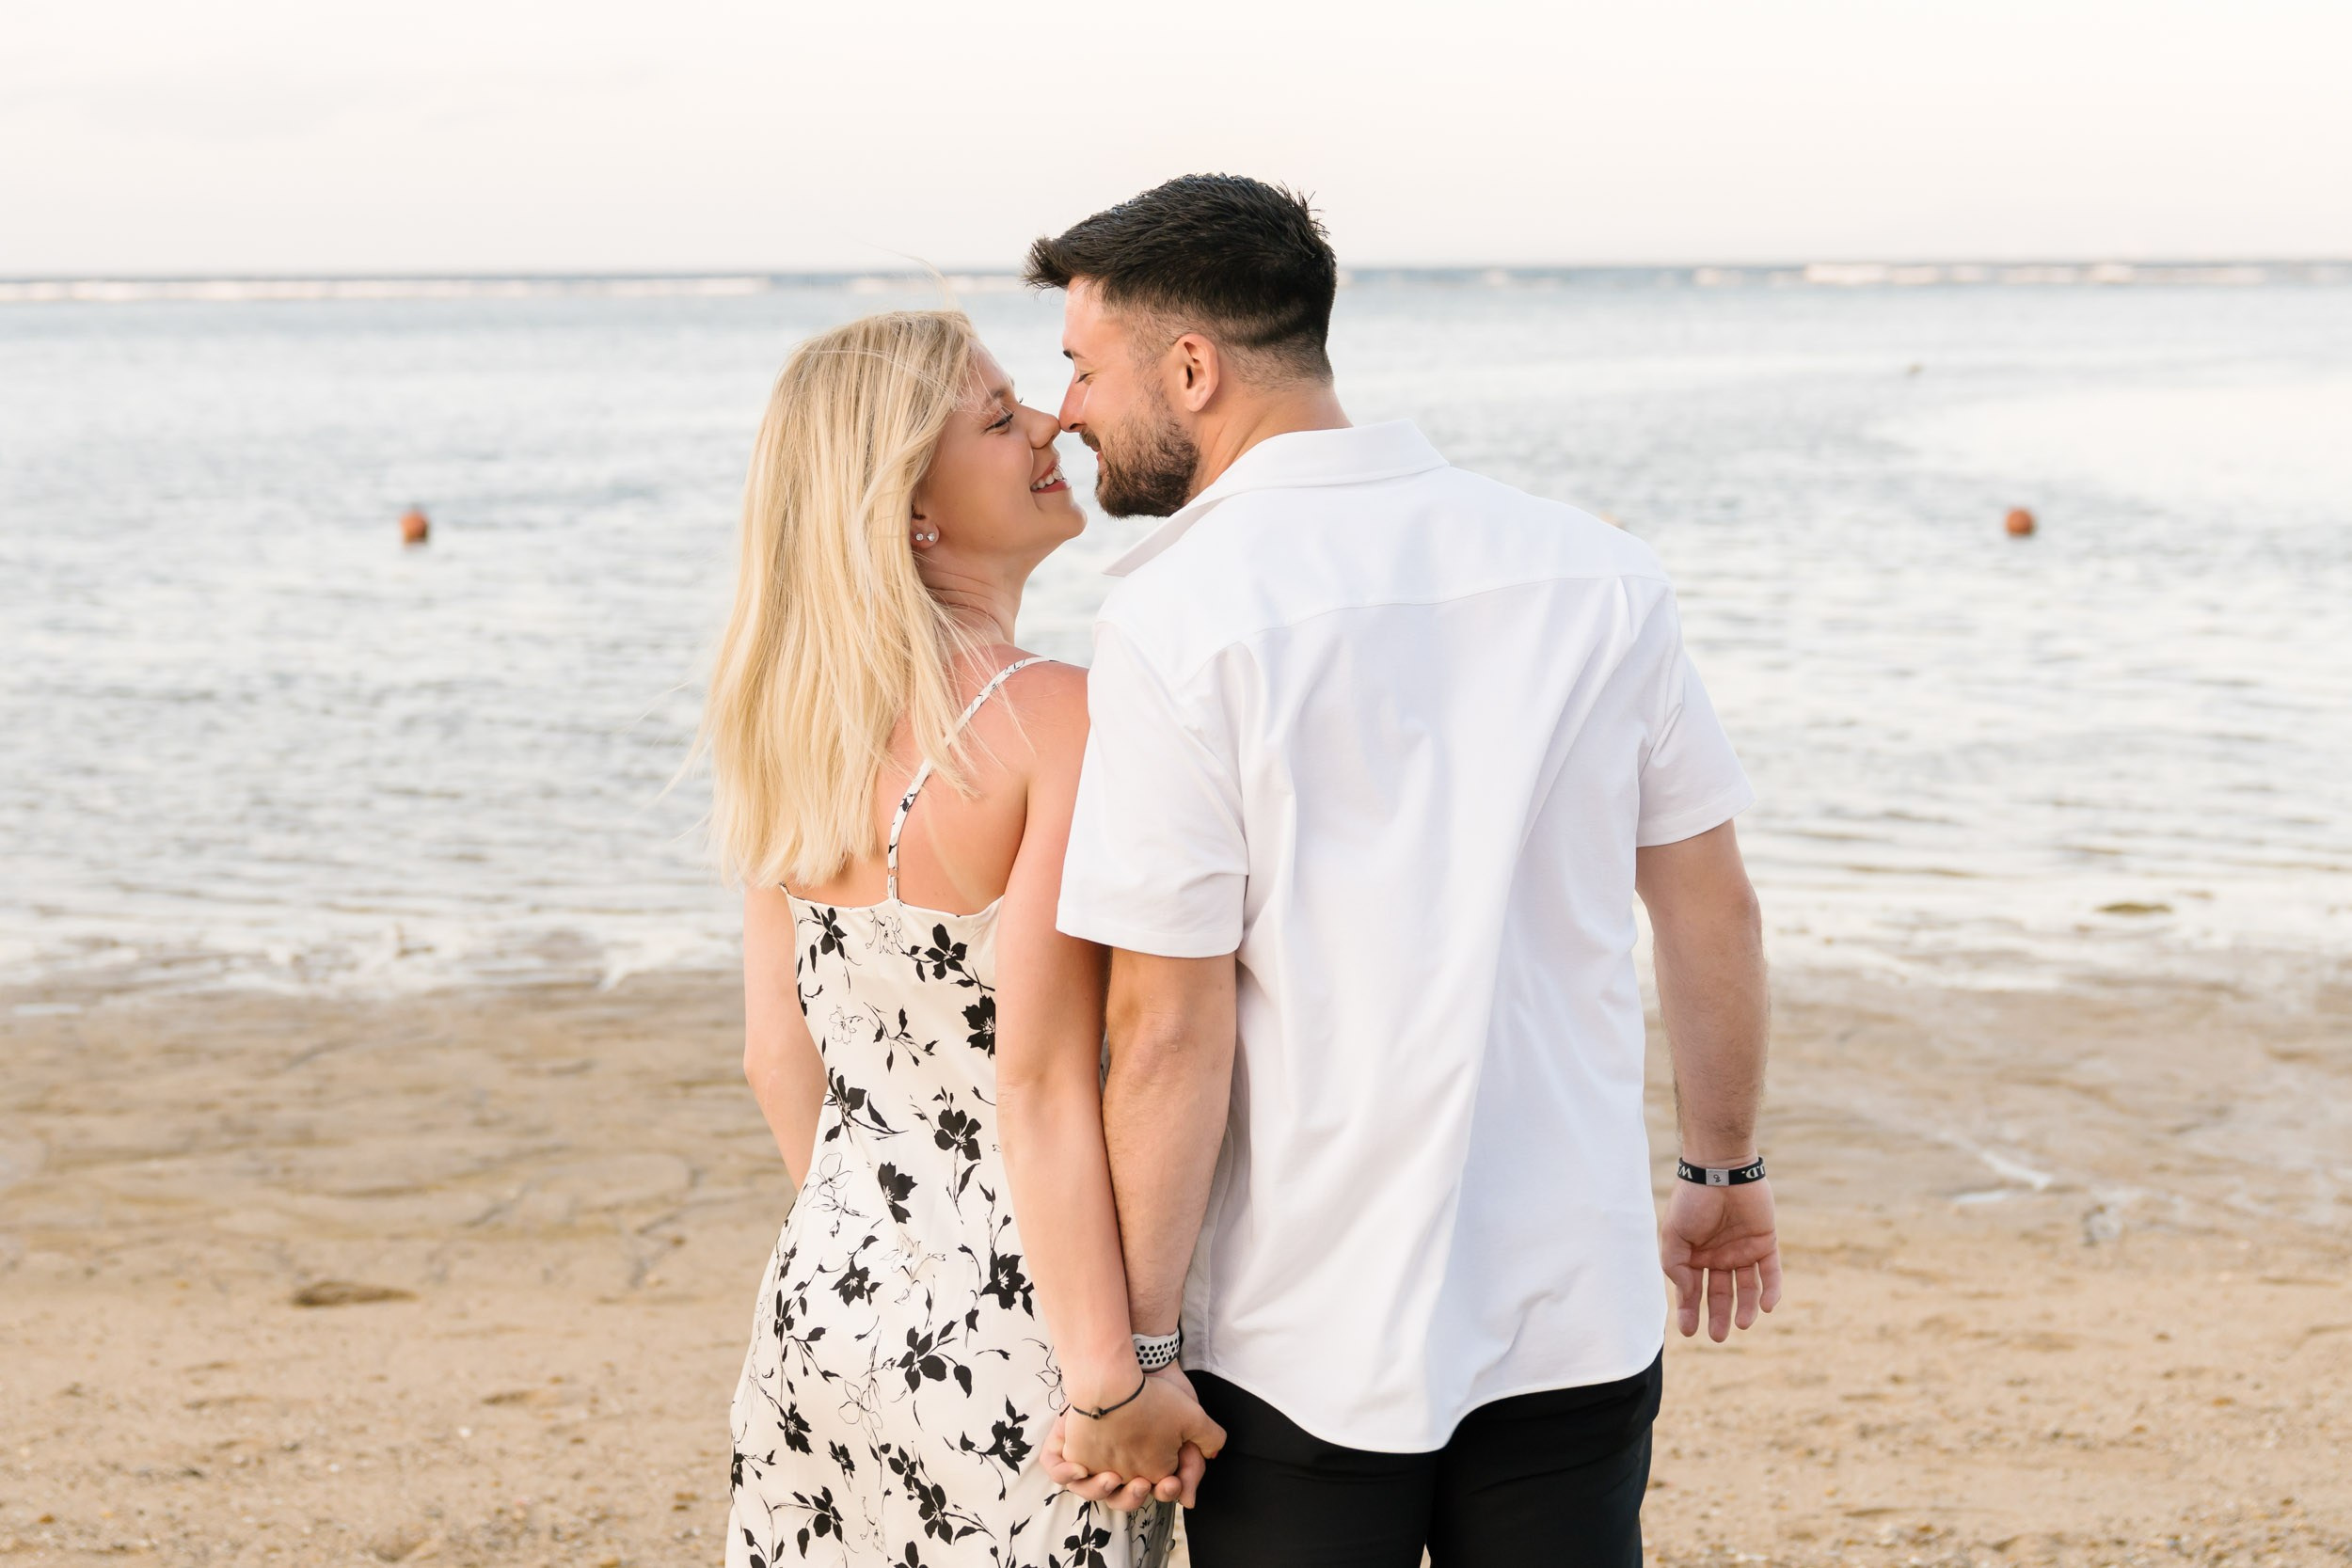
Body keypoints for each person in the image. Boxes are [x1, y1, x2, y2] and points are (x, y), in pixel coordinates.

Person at [1027, 176, 1782, 1566]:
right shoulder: (1598, 571)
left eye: (1083, 366)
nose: (1064, 409)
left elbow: (1169, 1026)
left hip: (1302, 1335)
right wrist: (1723, 1167)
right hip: (1573, 1305)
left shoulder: (1178, 621)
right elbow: (1707, 904)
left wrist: (1135, 1354)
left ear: (1190, 369)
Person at [701, 310, 1222, 1568]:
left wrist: (884, 1260)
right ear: (912, 510)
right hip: (1022, 1335)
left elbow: (779, 1058)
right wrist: (1110, 1376)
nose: (1049, 423)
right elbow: (1038, 1083)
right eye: (998, 419)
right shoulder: (1058, 719)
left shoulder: (789, 727)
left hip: (826, 1304)